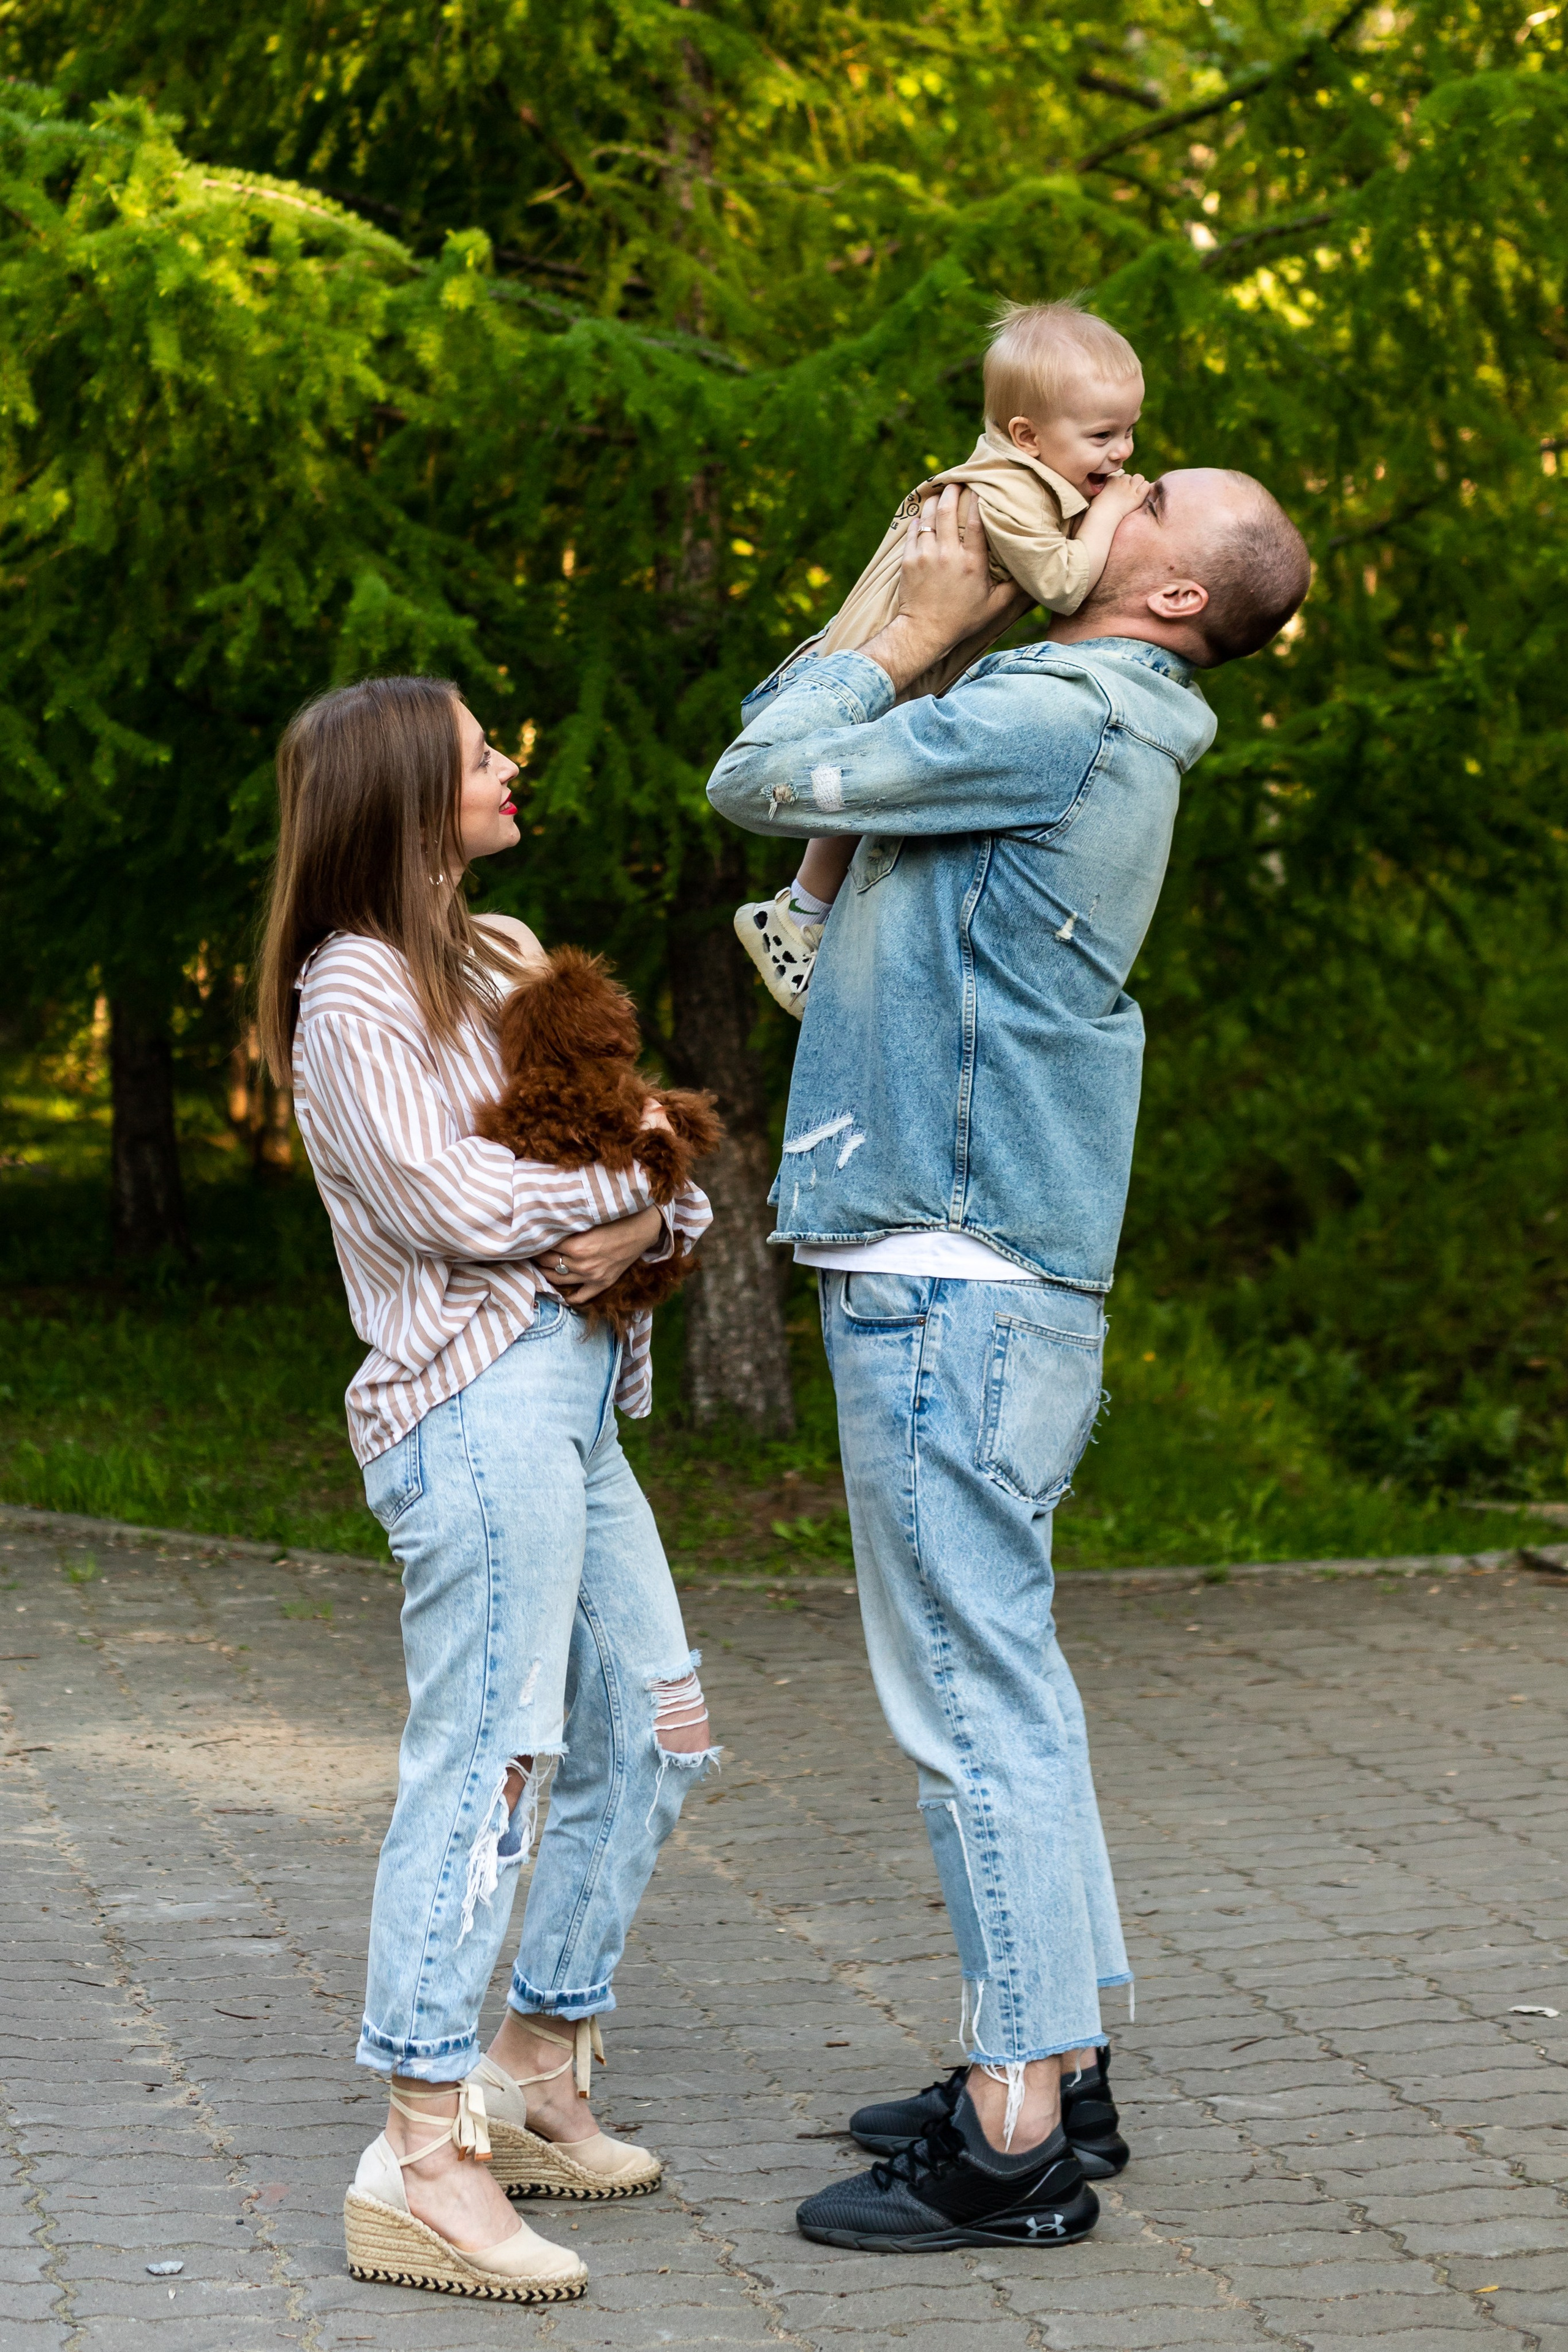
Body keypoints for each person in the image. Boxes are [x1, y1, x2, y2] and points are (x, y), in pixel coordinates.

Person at [707, 469, 1310, 2252]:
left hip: (945, 1268)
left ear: (1176, 596)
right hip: (999, 1265)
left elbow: (757, 780)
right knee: (1008, 1671)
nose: (1107, 486)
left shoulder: (1050, 710)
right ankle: (1057, 2045)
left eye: (1146, 494)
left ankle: (1013, 2136)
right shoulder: (1105, 719)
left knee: (967, 1696)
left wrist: (901, 626)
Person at [257, 674, 717, 2305]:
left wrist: (647, 1211)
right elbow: (453, 1195)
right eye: (477, 755)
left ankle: (531, 2060)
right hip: (472, 1407)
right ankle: (423, 2149)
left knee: (661, 1728)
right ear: (400, 799)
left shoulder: (502, 956)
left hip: (581, 1395)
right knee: (489, 1765)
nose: (513, 765)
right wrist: (625, 1197)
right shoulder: (354, 990)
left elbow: (664, 1155)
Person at [733, 300, 1147, 1017]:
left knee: (874, 803)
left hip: (890, 672)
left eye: (1130, 432)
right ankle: (798, 917)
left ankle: (802, 915)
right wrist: (1110, 516)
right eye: (1104, 436)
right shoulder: (1004, 492)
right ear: (1027, 436)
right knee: (873, 794)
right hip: (870, 670)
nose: (1122, 454)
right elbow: (1064, 583)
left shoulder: (1022, 478)